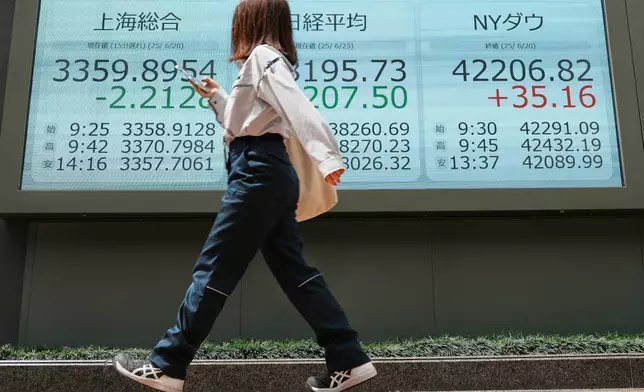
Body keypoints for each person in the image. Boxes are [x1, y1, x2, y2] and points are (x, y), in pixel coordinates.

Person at [112, 0, 377, 391]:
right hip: (266, 170)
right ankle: (348, 358)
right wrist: (217, 97)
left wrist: (327, 156)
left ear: (249, 22)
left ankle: (167, 365)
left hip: (257, 173)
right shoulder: (261, 62)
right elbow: (244, 124)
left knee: (215, 267)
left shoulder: (263, 57)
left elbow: (297, 107)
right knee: (294, 272)